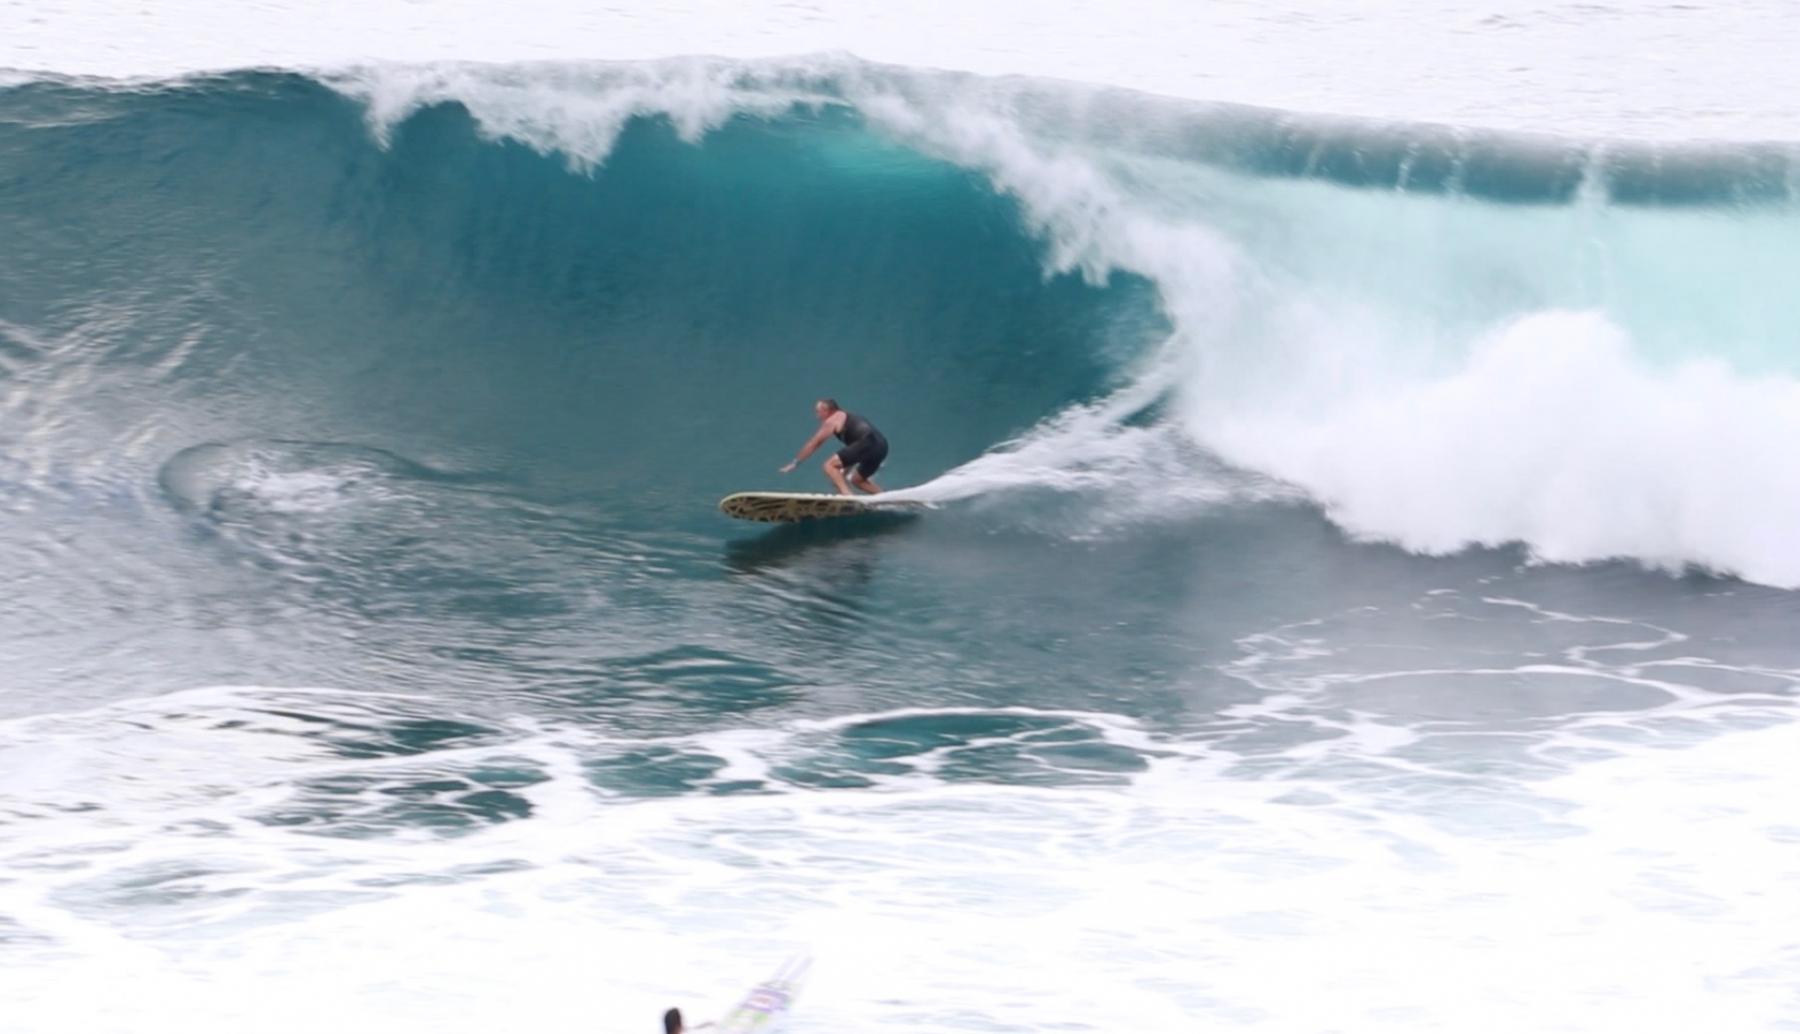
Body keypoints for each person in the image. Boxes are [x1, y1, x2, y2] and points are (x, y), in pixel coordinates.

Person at [779, 398, 887, 496]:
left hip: (866, 444)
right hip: (881, 447)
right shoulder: (848, 416)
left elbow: (814, 443)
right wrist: (844, 473)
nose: (817, 416)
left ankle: (847, 495)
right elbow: (857, 451)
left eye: (818, 412)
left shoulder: (833, 420)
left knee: (829, 465)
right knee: (857, 480)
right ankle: (886, 498)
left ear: (827, 411)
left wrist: (795, 462)